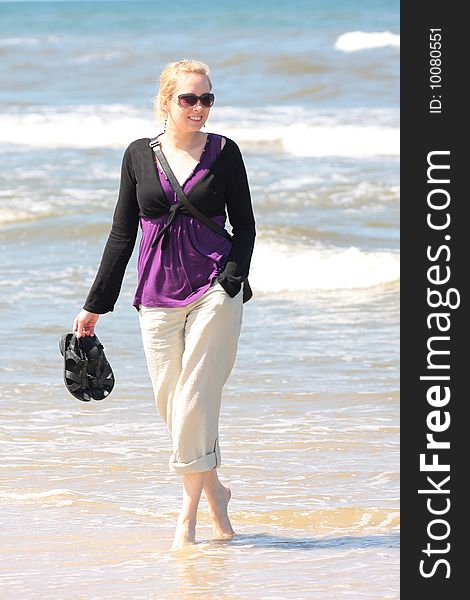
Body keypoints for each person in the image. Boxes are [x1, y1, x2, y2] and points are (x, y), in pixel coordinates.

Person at [73, 59, 256, 549]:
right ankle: (216, 492)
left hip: (215, 289)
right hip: (155, 294)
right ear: (167, 100)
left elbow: (246, 225)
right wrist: (95, 306)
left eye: (207, 99)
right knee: (171, 403)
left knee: (195, 396)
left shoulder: (225, 153)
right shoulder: (138, 155)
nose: (200, 108)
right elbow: (121, 234)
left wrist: (234, 278)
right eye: (189, 99)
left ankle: (187, 516)